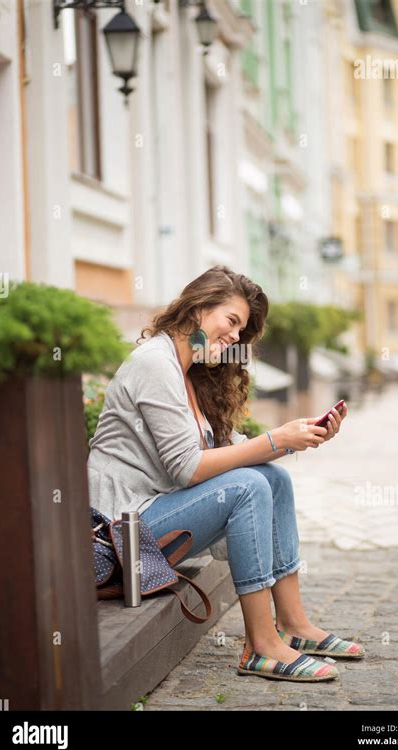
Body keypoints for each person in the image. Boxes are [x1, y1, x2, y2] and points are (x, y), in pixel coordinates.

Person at [87, 264, 364, 683]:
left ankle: (292, 623)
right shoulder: (154, 364)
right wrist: (276, 439)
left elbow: (231, 449)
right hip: (119, 532)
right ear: (198, 308)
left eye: (241, 330)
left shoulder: (188, 372)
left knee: (273, 478)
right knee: (248, 486)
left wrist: (300, 436)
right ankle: (261, 645)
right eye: (231, 321)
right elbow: (187, 468)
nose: (235, 337)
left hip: (151, 515)